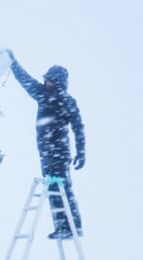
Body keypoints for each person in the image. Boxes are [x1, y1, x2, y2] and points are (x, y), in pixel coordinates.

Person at [5, 49, 85, 240]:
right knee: (53, 190)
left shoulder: (66, 101)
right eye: (46, 79)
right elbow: (26, 80)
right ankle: (62, 227)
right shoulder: (42, 94)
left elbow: (78, 128)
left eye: (50, 80)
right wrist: (13, 62)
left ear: (57, 82)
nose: (46, 82)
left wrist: (81, 152)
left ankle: (73, 226)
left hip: (59, 153)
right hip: (47, 153)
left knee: (63, 189)